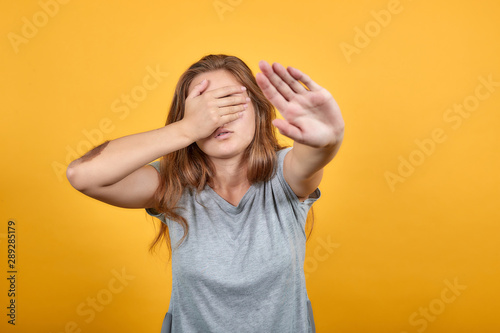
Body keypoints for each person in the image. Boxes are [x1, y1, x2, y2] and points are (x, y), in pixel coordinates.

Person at [66, 54, 344, 333]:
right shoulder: (171, 185)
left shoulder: (284, 175)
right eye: (205, 108)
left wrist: (329, 138)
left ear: (259, 112)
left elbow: (313, 155)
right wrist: (186, 129)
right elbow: (82, 175)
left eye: (230, 103)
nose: (218, 119)